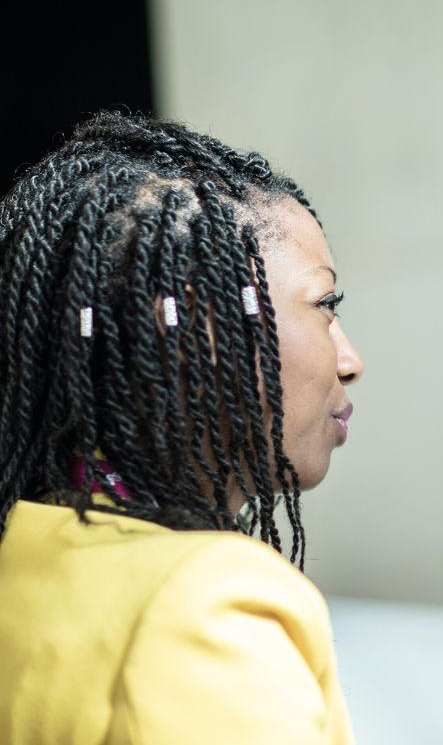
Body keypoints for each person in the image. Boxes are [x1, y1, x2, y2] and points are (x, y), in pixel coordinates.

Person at [0, 112, 365, 742]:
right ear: (194, 332)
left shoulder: (24, 543)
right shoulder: (206, 610)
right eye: (324, 307)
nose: (350, 361)